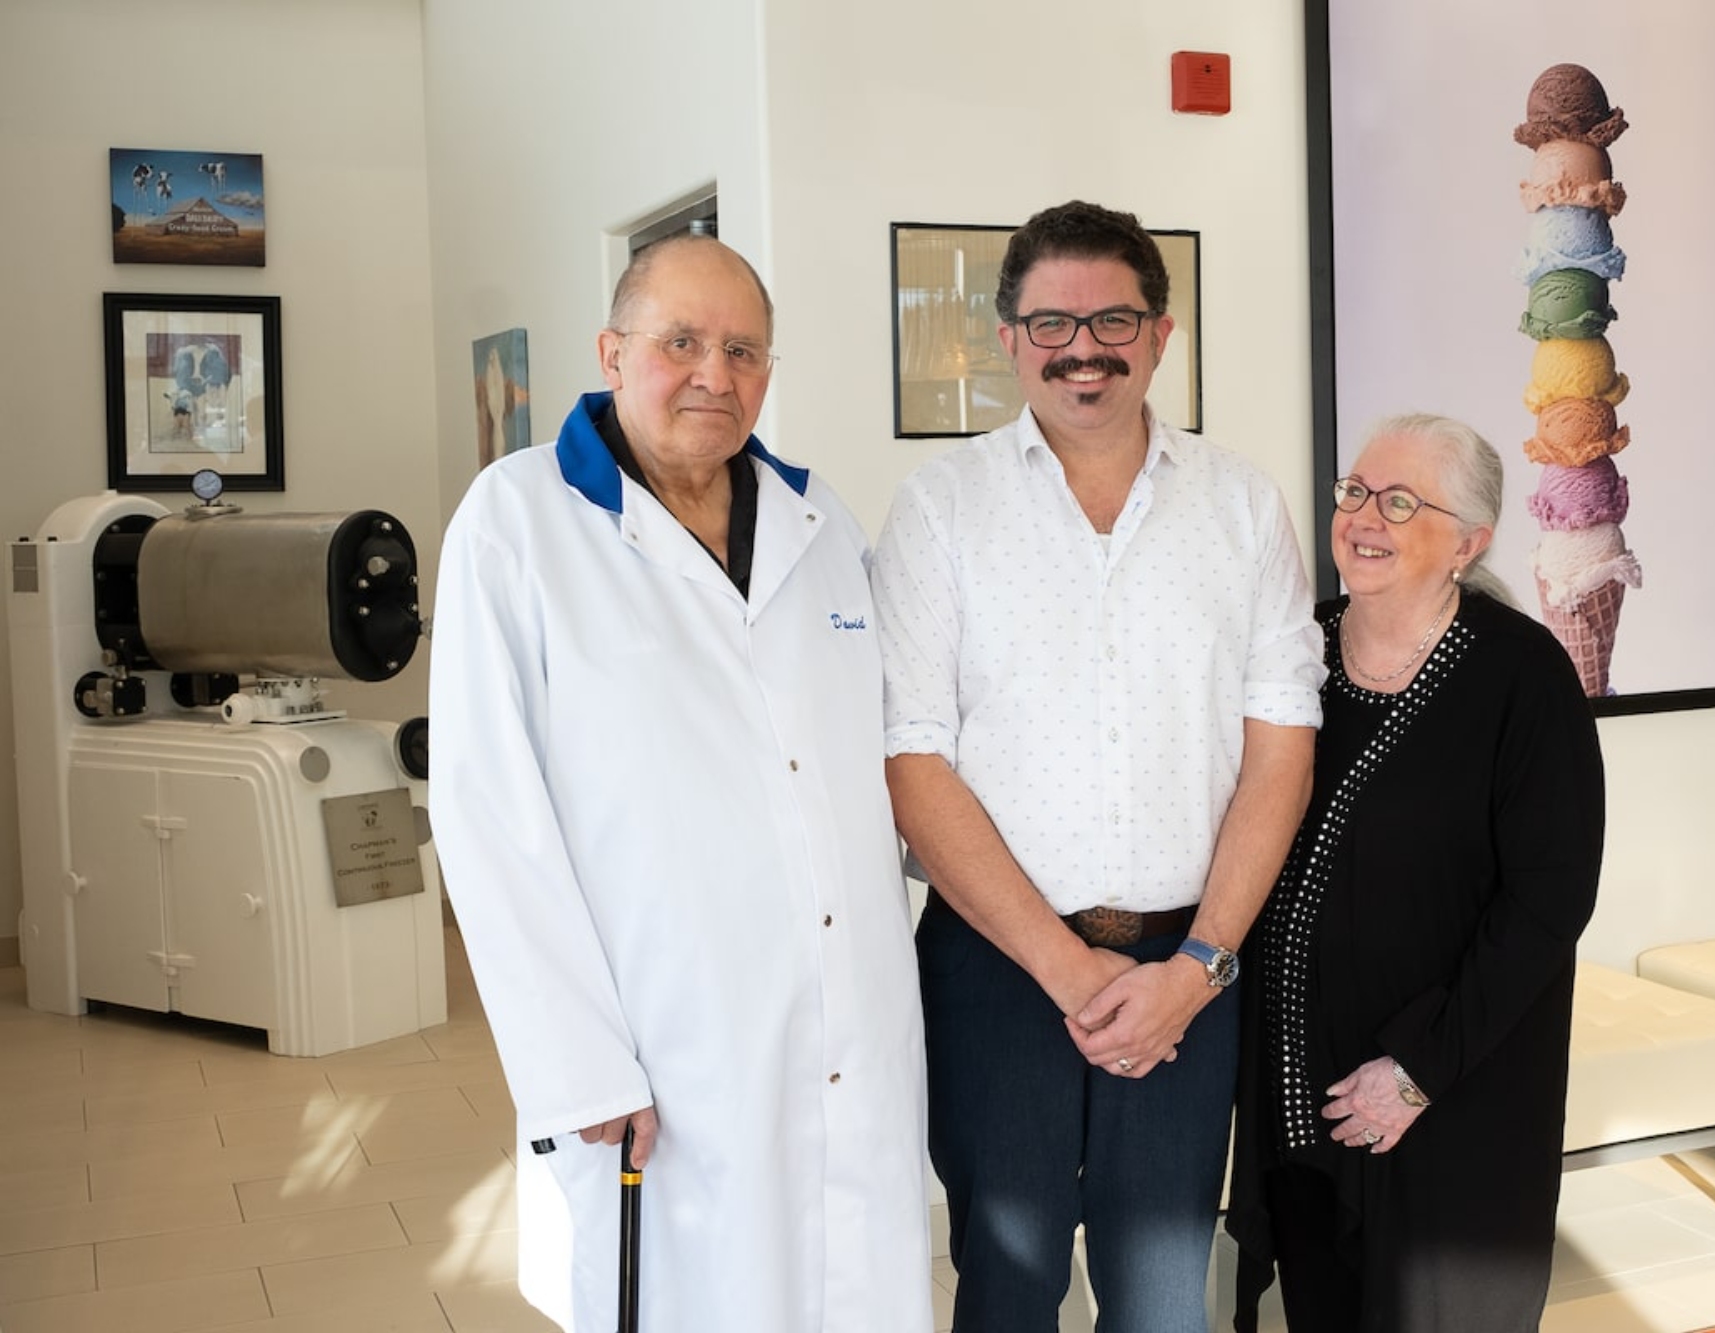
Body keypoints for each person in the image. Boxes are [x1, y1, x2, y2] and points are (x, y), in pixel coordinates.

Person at [428, 235, 931, 1333]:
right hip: (661, 1042)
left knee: (853, 1292)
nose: (715, 373)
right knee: (689, 1295)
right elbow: (488, 814)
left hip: (850, 1028)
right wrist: (578, 1066)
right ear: (612, 353)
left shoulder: (819, 522)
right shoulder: (517, 521)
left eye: (743, 350)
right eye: (681, 342)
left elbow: (882, 762)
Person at [870, 199, 1326, 1333]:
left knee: (1164, 1300)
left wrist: (1199, 966)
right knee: (1006, 1286)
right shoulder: (939, 510)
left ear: (1161, 334)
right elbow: (912, 758)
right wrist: (1068, 971)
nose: (1084, 349)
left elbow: (1280, 747)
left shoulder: (1241, 505)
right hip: (996, 969)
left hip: (1189, 968)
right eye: (1051, 323)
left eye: (1114, 319)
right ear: (1008, 338)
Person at [1225, 413, 1606, 1332]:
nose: (1364, 516)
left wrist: (1417, 1070)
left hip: (1451, 1102)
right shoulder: (1295, 650)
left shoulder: (1523, 674)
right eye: (1355, 491)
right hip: (1302, 1099)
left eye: (1401, 502)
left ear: (1468, 543)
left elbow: (1550, 900)